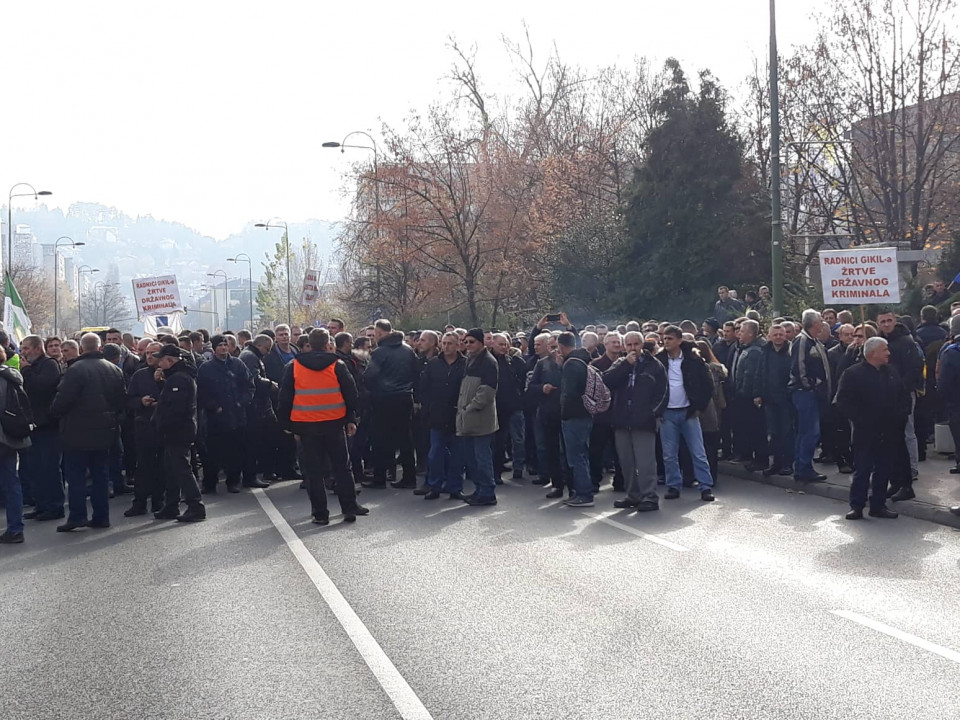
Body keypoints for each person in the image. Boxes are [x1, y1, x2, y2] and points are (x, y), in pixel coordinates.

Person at [277, 328, 367, 525]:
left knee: (314, 472)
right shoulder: (338, 365)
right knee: (342, 468)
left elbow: (285, 398)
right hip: (334, 424)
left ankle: (320, 513)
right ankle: (349, 507)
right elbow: (351, 394)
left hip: (306, 427)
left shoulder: (293, 366)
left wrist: (287, 425)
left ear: (309, 343)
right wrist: (351, 419)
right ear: (328, 344)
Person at [50, 333, 126, 532]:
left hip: (77, 431)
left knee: (76, 477)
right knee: (101, 475)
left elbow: (62, 400)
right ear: (100, 347)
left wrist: (55, 412)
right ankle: (102, 516)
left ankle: (77, 516)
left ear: (82, 349)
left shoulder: (76, 370)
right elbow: (121, 402)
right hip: (105, 431)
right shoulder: (114, 370)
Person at [834, 337, 908, 520]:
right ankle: (857, 506)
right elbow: (842, 401)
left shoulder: (892, 372)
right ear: (872, 353)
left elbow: (903, 396)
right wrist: (860, 418)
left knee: (884, 469)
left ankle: (878, 505)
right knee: (863, 470)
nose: (889, 353)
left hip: (889, 430)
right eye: (885, 350)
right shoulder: (852, 374)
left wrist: (901, 416)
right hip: (865, 431)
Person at [602, 332, 667, 511]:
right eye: (629, 345)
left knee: (645, 462)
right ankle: (633, 495)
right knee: (626, 462)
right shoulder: (620, 363)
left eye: (636, 344)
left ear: (642, 344)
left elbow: (663, 392)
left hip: (644, 422)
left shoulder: (654, 365)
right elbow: (607, 381)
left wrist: (652, 414)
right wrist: (625, 365)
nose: (633, 348)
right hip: (622, 420)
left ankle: (650, 497)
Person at [655, 326, 716, 501]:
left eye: (670, 339)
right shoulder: (659, 360)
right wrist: (657, 409)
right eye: (664, 339)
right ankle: (673, 485)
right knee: (669, 453)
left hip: (688, 412)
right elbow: (652, 386)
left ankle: (705, 486)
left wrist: (699, 407)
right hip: (667, 413)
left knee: (698, 451)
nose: (666, 342)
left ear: (679, 340)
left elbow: (707, 385)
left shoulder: (694, 359)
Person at [152, 345, 206, 522]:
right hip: (178, 429)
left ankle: (195, 506)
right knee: (172, 469)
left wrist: (163, 425)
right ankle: (171, 505)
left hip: (178, 430)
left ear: (170, 360)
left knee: (182, 469)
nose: (158, 363)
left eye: (161, 359)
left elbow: (175, 408)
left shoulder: (179, 379)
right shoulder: (175, 377)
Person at [363, 319, 419, 489]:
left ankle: (379, 478)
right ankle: (409, 476)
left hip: (384, 399)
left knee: (380, 439)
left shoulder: (380, 352)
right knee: (405, 439)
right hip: (404, 398)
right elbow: (416, 373)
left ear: (379, 333)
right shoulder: (408, 350)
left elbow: (369, 376)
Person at [197, 334, 255, 493]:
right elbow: (201, 392)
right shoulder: (206, 368)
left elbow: (249, 385)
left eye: (225, 344)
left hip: (237, 416)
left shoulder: (237, 364)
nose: (223, 348)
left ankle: (233, 481)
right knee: (213, 453)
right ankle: (209, 483)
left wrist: (242, 401)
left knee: (235, 451)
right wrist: (213, 407)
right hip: (215, 419)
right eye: (220, 345)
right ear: (214, 348)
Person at [877, 309, 923, 500]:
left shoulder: (906, 341)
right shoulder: (879, 342)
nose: (886, 324)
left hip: (901, 397)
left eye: (889, 320)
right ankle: (896, 482)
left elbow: (914, 369)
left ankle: (906, 483)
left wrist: (900, 388)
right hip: (884, 398)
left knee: (904, 438)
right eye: (883, 321)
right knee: (890, 442)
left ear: (895, 321)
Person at [18, 335, 64, 521]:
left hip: (48, 426)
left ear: (38, 348)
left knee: (50, 467)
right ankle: (41, 504)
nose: (23, 353)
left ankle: (55, 506)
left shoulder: (49, 364)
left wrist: (27, 371)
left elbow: (43, 387)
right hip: (33, 425)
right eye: (22, 349)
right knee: (35, 468)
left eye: (27, 348)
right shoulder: (30, 367)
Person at [418, 331, 466, 500]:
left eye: (450, 343)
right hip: (437, 415)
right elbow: (424, 389)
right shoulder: (433, 364)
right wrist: (427, 408)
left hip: (457, 415)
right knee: (435, 453)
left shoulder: (465, 364)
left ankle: (454, 487)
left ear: (458, 345)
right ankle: (434, 485)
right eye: (444, 343)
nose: (446, 347)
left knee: (457, 454)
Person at [456, 328, 499, 505]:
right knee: (471, 458)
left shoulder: (489, 362)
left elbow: (487, 392)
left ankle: (488, 492)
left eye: (471, 342)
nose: (468, 345)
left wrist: (470, 407)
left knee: (482, 458)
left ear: (481, 342)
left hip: (480, 418)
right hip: (468, 418)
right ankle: (479, 489)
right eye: (466, 342)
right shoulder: (470, 360)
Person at [123, 341, 165, 516]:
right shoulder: (139, 375)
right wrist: (141, 402)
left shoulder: (170, 375)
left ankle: (159, 501)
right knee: (143, 467)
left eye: (153, 353)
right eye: (147, 353)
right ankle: (139, 503)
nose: (149, 356)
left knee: (162, 466)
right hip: (144, 425)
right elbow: (128, 400)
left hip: (163, 427)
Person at [789, 309, 831, 483]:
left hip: (811, 393)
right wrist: (810, 387)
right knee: (810, 432)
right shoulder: (802, 340)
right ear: (814, 323)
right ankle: (803, 467)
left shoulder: (814, 341)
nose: (822, 323)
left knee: (806, 431)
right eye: (820, 320)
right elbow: (799, 367)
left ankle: (801, 466)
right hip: (805, 393)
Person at [556, 331, 596, 507]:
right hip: (585, 414)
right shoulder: (583, 360)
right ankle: (582, 491)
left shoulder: (571, 364)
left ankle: (583, 493)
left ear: (561, 346)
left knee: (576, 456)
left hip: (574, 416)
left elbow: (569, 392)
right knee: (581, 454)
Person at [238, 334, 277, 489]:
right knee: (252, 443)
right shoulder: (250, 357)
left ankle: (257, 472)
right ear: (260, 345)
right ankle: (250, 476)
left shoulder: (251, 355)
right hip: (254, 407)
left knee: (258, 441)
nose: (268, 352)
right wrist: (270, 384)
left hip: (257, 405)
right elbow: (253, 379)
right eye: (267, 348)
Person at [263, 324, 301, 481]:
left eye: (286, 334)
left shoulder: (295, 351)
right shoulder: (270, 356)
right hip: (279, 398)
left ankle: (290, 467)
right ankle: (280, 468)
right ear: (275, 338)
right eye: (281, 335)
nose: (284, 337)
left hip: (297, 397)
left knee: (293, 435)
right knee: (281, 435)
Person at [0, 348, 30, 543]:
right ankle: (15, 527)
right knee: (12, 483)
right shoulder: (11, 375)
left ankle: (14, 528)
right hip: (9, 437)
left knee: (10, 483)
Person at [528, 331, 563, 493]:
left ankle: (572, 482)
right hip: (547, 412)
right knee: (550, 448)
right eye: (552, 347)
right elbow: (531, 386)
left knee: (568, 451)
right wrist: (542, 388)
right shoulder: (542, 363)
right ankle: (555, 482)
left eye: (557, 347)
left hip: (568, 412)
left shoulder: (573, 362)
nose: (555, 350)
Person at [590, 332, 625, 491]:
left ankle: (621, 481)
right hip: (601, 414)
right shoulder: (595, 364)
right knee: (597, 449)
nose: (617, 345)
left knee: (620, 450)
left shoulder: (627, 362)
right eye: (613, 342)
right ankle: (594, 481)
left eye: (618, 342)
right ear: (605, 345)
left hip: (620, 412)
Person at [731, 320, 767, 472]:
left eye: (742, 331)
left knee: (756, 429)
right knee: (749, 428)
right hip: (743, 396)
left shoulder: (755, 351)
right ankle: (750, 456)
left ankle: (760, 459)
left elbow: (751, 376)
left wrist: (747, 394)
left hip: (749, 398)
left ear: (751, 333)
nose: (739, 334)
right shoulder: (746, 349)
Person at [759, 324, 795, 477]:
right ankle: (776, 463)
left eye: (781, 334)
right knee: (774, 433)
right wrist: (758, 393)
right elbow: (759, 373)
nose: (779, 337)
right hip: (770, 399)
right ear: (769, 336)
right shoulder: (765, 352)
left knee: (787, 432)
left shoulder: (791, 352)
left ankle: (787, 464)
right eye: (775, 334)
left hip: (786, 399)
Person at [491, 332, 526, 482]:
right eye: (501, 344)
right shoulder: (488, 361)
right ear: (492, 344)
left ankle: (518, 467)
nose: (504, 347)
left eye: (506, 344)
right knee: (498, 442)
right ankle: (496, 472)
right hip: (496, 408)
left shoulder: (514, 361)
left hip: (514, 406)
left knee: (518, 439)